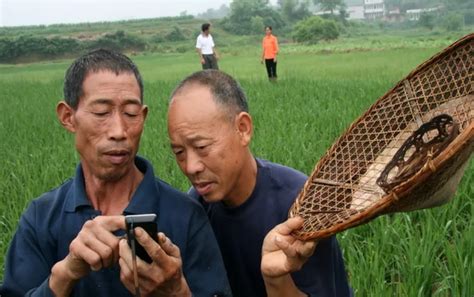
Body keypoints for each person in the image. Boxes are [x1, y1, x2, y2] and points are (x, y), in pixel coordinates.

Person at [0, 49, 231, 297]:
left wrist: (176, 292)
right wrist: (65, 274)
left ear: (142, 117)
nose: (119, 131)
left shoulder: (185, 216)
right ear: (68, 117)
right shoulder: (42, 218)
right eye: (101, 113)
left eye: (131, 114)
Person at [167, 69, 353, 297]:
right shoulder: (195, 211)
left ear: (243, 129)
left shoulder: (299, 205)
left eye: (202, 147)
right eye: (178, 151)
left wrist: (277, 280)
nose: (190, 166)